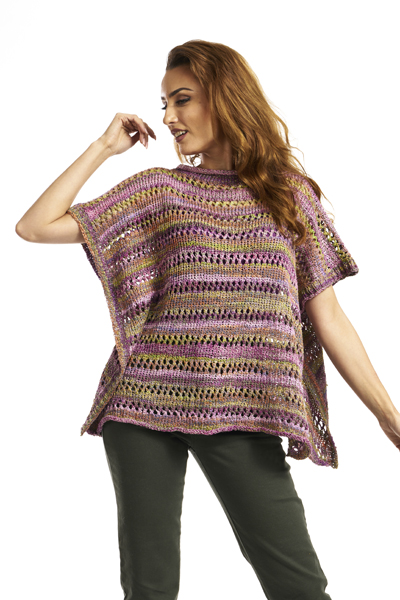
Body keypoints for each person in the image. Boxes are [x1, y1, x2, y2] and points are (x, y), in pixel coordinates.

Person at [15, 40, 400, 600]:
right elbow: (34, 226)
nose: (169, 117)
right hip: (144, 403)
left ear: (225, 97)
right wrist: (102, 147)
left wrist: (388, 414)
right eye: (164, 103)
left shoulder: (289, 197)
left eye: (182, 99)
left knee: (299, 586)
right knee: (150, 589)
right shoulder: (161, 189)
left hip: (246, 406)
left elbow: (330, 318)